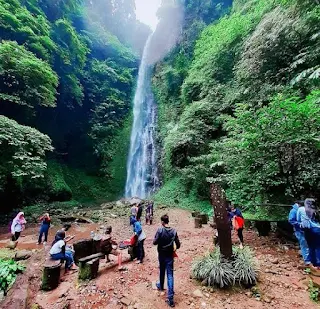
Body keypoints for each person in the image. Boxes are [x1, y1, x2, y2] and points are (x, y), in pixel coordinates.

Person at [153, 214, 181, 308]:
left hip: (161, 254)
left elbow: (154, 242)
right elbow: (178, 244)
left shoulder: (160, 230)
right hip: (170, 255)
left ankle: (161, 286)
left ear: (162, 222)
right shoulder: (174, 231)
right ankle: (170, 298)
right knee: (170, 275)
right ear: (168, 221)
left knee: (162, 271)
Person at [297, 198, 320, 267]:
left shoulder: (301, 209)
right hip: (318, 229)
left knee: (311, 246)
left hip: (308, 230)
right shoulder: (317, 210)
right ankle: (319, 264)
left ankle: (313, 264)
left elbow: (298, 220)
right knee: (318, 247)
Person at [288, 200, 310, 265]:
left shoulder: (300, 210)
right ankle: (307, 262)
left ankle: (309, 260)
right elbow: (291, 220)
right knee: (304, 245)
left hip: (305, 230)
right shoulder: (294, 211)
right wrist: (300, 224)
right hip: (299, 231)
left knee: (307, 245)